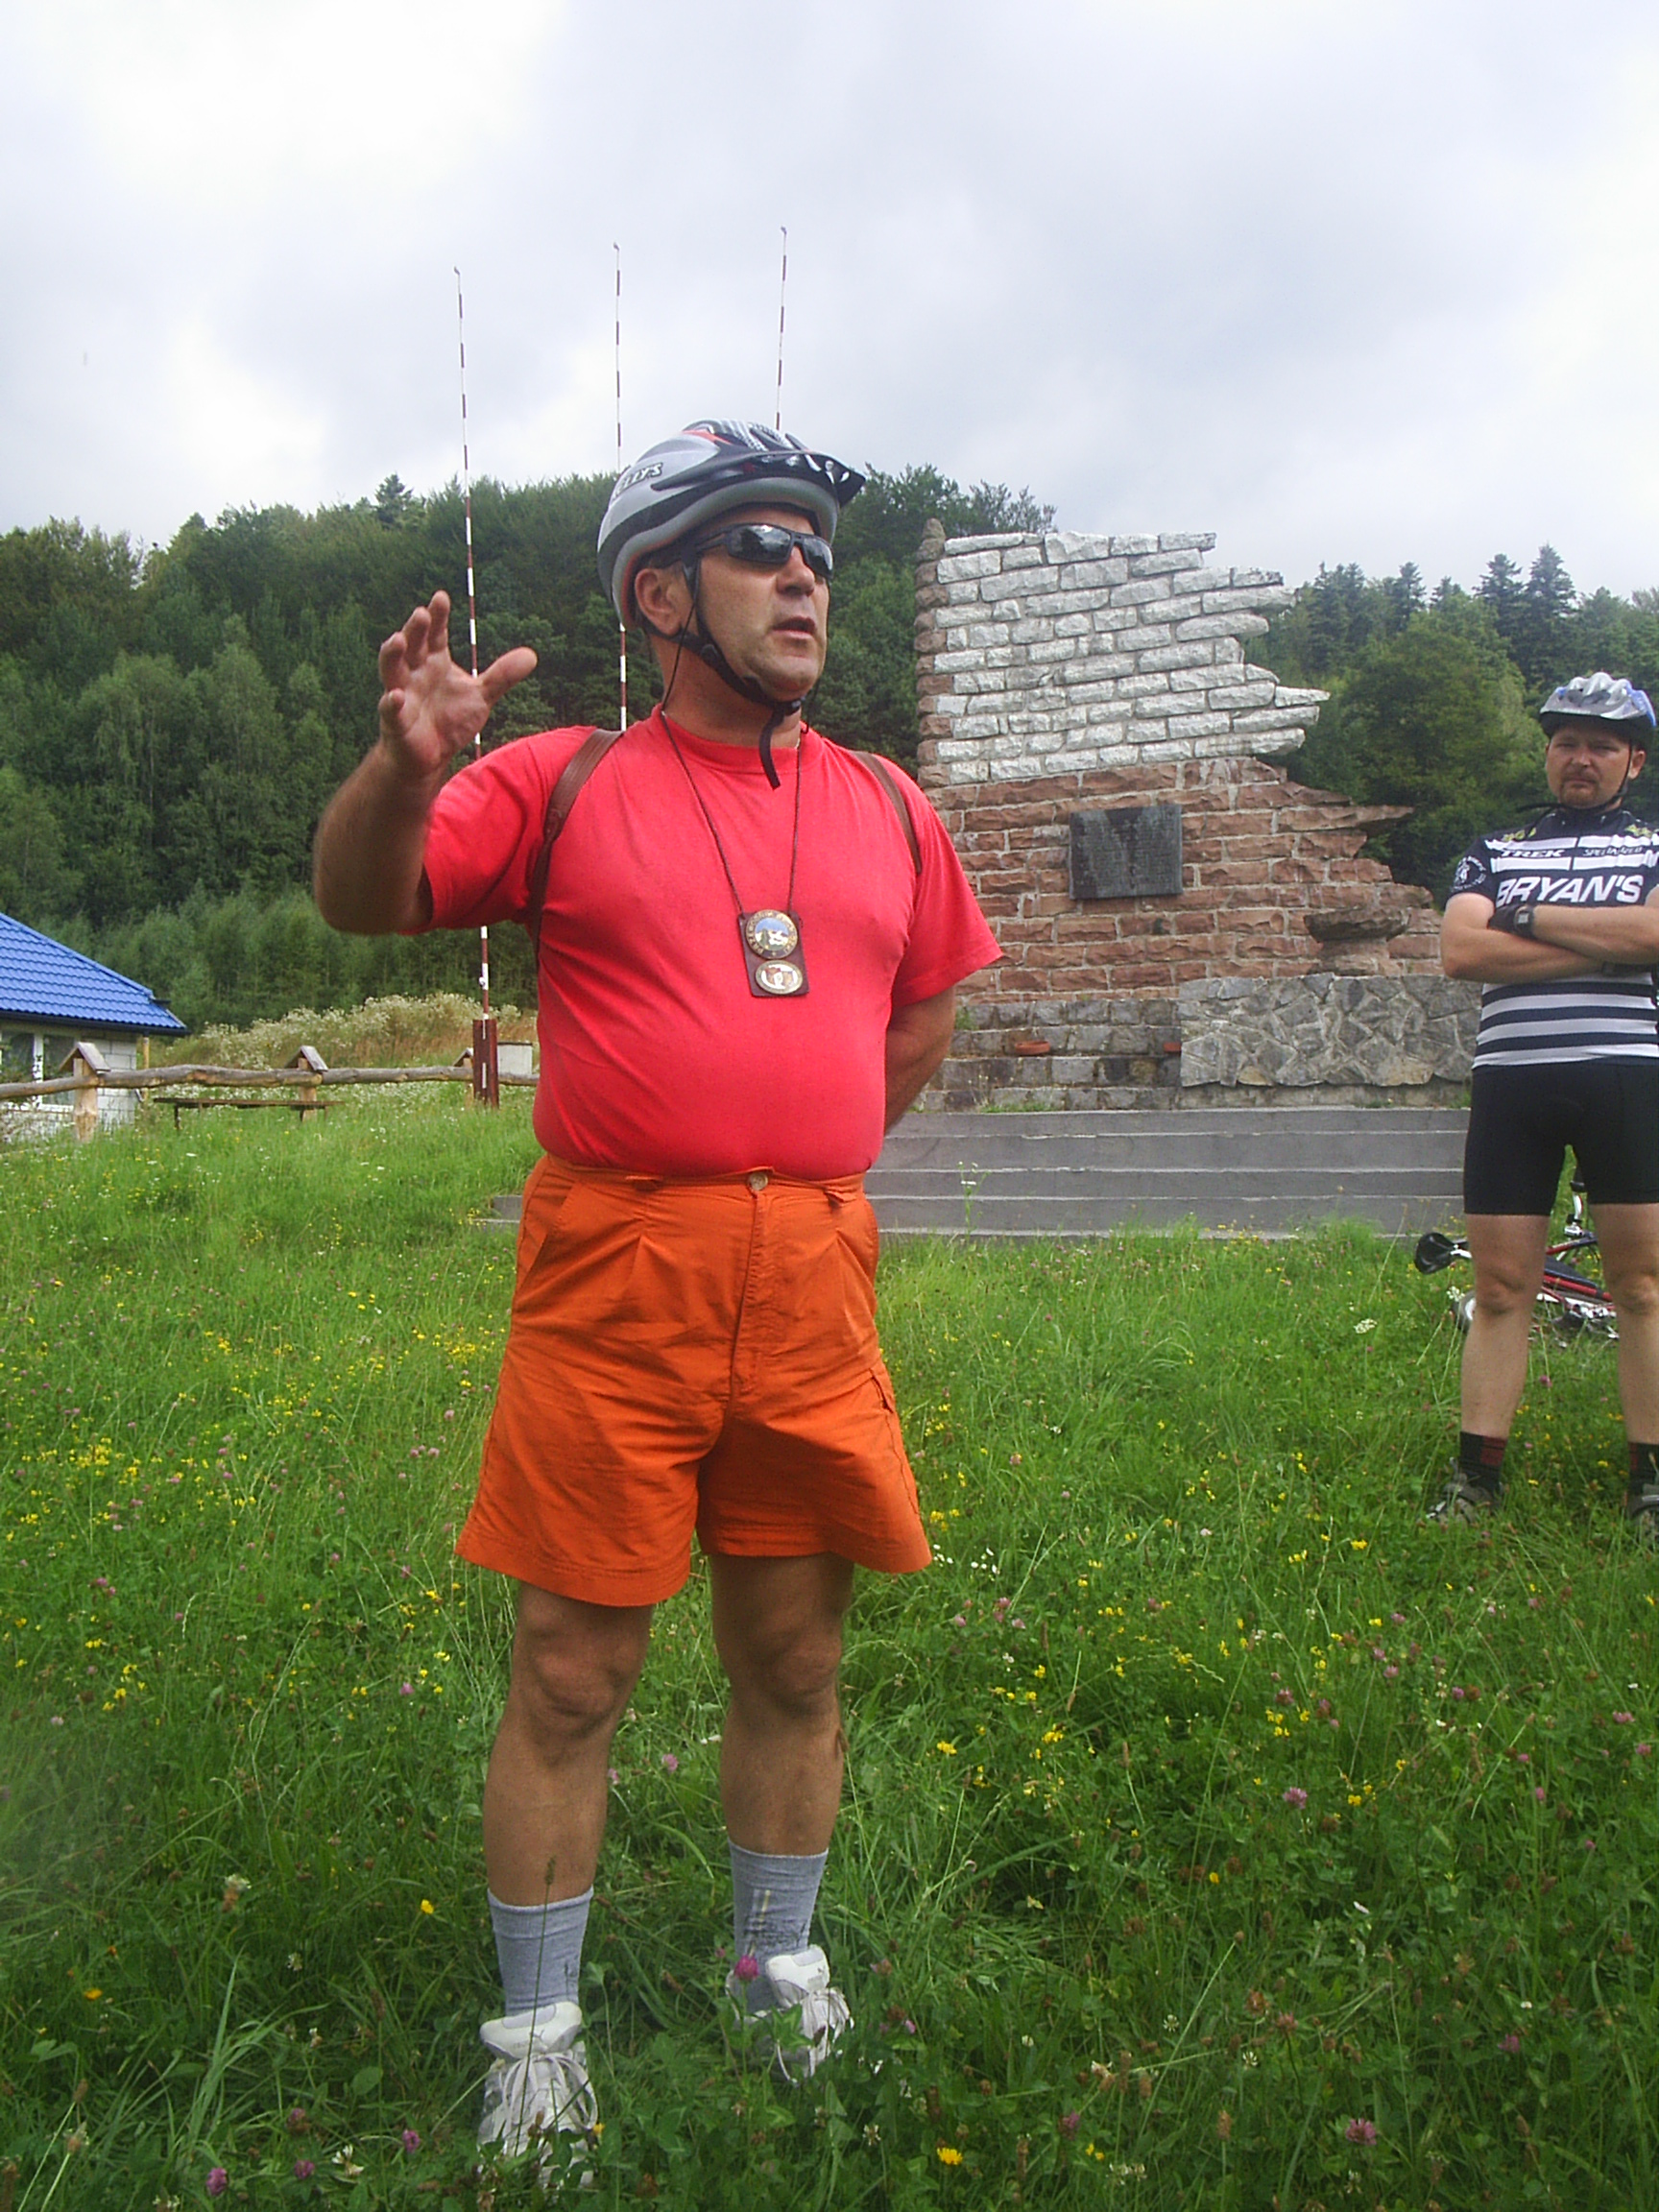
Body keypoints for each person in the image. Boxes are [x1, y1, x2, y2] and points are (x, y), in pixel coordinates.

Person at [312, 419, 1002, 2167]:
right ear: (660, 594)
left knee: (796, 1647)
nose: (803, 575)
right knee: (570, 1666)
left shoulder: (888, 803)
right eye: (761, 544)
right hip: (615, 1273)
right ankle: (537, 2038)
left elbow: (925, 1004)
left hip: (812, 1273)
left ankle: (774, 1965)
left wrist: (803, 1152)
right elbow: (362, 898)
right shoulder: (561, 781)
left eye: (818, 552)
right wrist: (402, 769)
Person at [1436, 670, 1659, 1542]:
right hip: (1512, 1085)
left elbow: (1657, 935)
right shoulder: (1493, 848)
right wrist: (1609, 949)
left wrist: (1522, 919)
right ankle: (1475, 1483)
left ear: (1633, 762)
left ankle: (1650, 1490)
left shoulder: (1653, 845)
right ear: (1547, 752)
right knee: (1498, 1288)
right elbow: (1462, 951)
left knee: (1641, 1287)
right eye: (1567, 741)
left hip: (1629, 1080)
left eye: (1603, 745)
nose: (1581, 757)